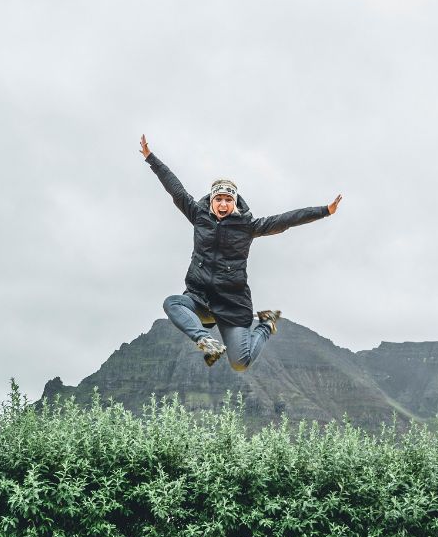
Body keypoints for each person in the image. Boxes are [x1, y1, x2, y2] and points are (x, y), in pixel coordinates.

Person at [140, 134, 341, 370]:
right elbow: (175, 189)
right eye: (219, 199)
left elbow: (286, 219)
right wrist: (151, 158)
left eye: (228, 199)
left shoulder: (248, 226)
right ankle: (205, 340)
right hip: (200, 299)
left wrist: (324, 211)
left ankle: (266, 324)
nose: (223, 204)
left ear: (234, 202)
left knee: (240, 362)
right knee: (172, 303)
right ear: (212, 201)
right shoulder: (199, 216)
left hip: (232, 304)